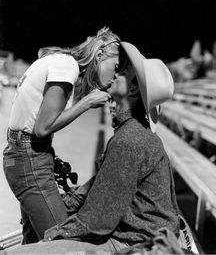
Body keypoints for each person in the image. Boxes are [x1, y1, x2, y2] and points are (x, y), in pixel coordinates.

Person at [3, 41, 181, 255]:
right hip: (134, 236)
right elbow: (98, 188)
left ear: (133, 88)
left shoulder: (130, 140)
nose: (115, 74)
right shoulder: (131, 133)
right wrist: (61, 205)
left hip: (133, 243)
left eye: (122, 71)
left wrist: (53, 234)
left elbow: (98, 219)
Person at [2, 27, 122, 244]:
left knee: (33, 244)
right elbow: (42, 128)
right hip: (29, 160)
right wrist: (87, 102)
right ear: (100, 55)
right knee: (63, 244)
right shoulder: (67, 66)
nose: (115, 75)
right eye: (115, 67)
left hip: (25, 155)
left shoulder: (60, 61)